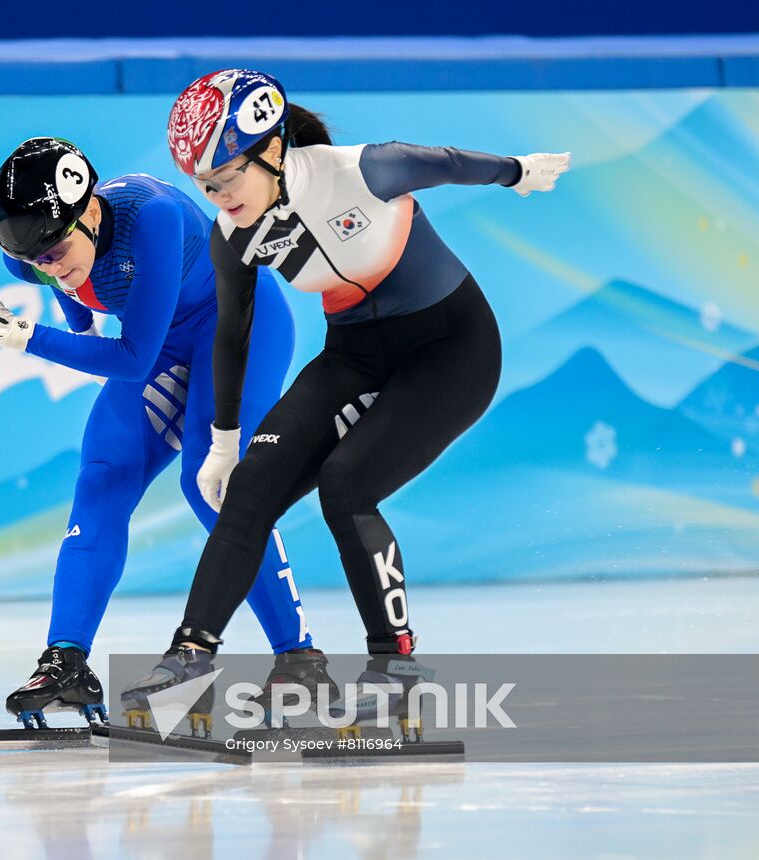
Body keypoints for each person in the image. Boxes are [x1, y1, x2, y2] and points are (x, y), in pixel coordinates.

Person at [122, 69, 570, 727]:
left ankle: (396, 667)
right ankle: (189, 660)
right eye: (202, 185)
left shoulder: (359, 170)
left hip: (451, 349)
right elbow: (232, 338)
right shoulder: (233, 236)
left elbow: (444, 163)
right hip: (355, 354)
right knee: (249, 488)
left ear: (272, 149)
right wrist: (221, 442)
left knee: (347, 484)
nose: (216, 196)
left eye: (225, 178)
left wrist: (516, 171)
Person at [0, 138, 331, 731]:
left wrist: (21, 334)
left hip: (239, 328)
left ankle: (299, 660)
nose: (50, 264)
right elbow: (73, 294)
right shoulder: (28, 246)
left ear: (91, 211)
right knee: (103, 476)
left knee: (212, 484)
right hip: (167, 341)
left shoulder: (155, 217)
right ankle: (65, 660)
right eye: (37, 261)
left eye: (59, 250)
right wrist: (72, 307)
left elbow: (129, 358)